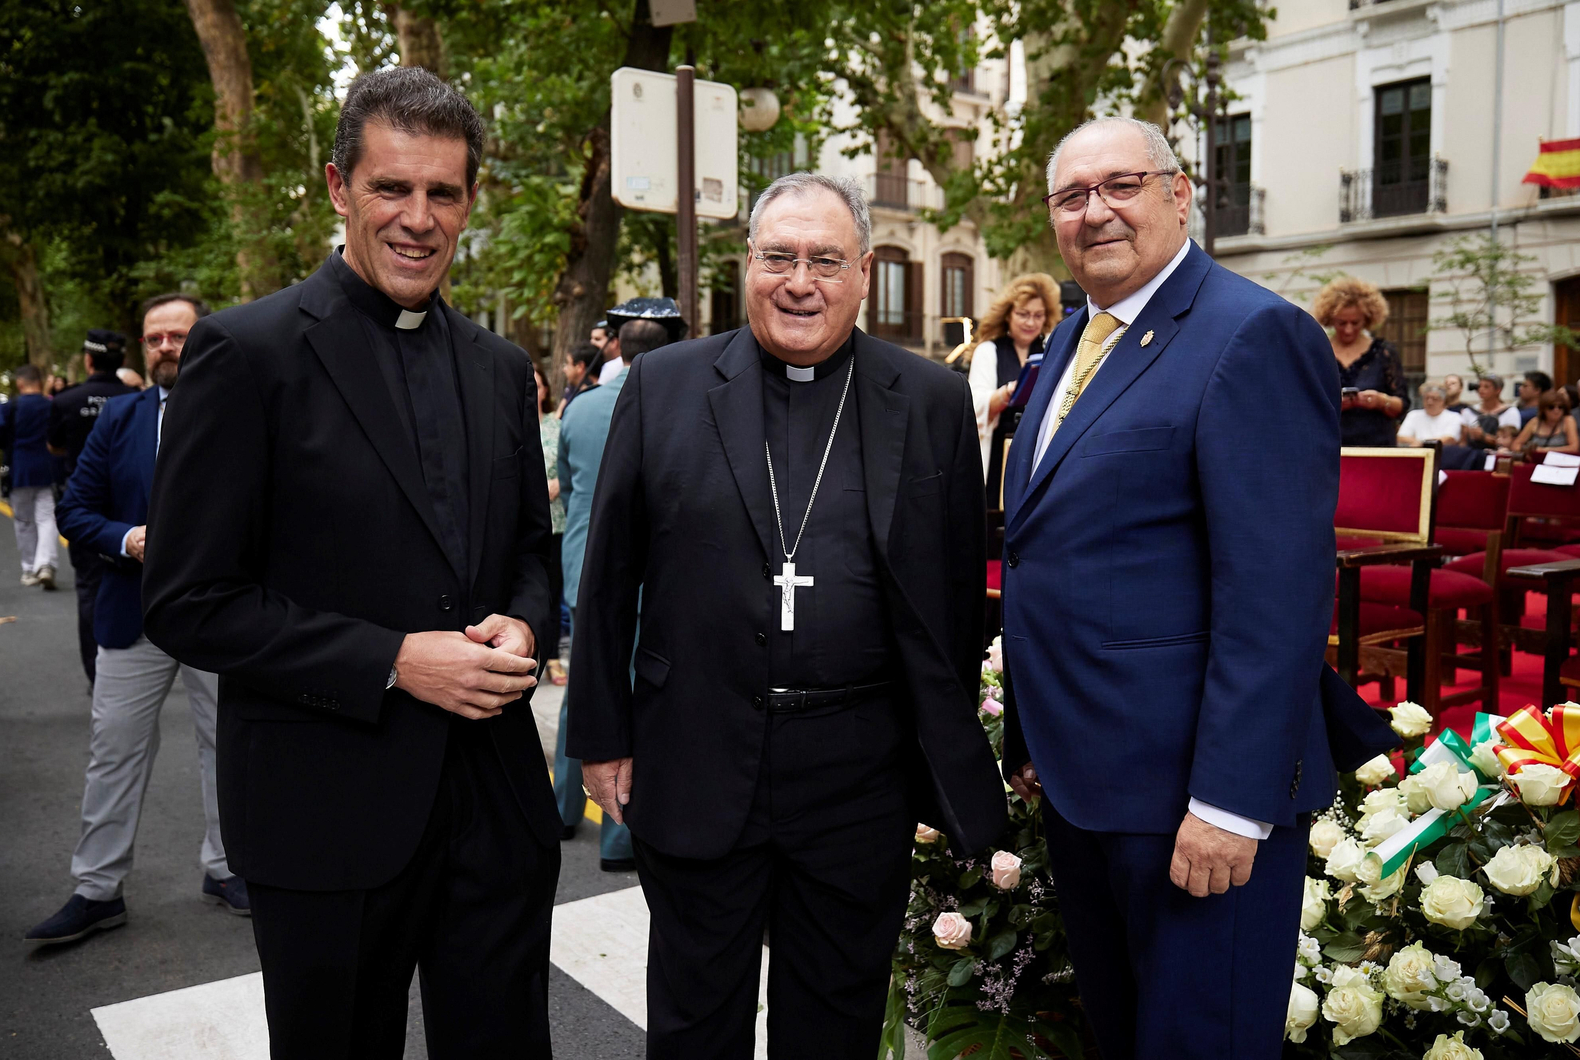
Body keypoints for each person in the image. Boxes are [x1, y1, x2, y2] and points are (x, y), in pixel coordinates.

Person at [140, 67, 559, 1059]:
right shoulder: (246, 353)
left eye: (443, 192)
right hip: (324, 808)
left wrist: (530, 621)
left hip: (493, 805)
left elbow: (532, 556)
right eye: (392, 188)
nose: (419, 218)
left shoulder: (501, 370)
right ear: (338, 188)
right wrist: (392, 658)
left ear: (469, 200)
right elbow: (190, 600)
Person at [567, 172, 1007, 1058]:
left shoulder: (925, 400)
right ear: (747, 264)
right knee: (695, 1023)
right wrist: (601, 736)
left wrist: (937, 756)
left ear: (864, 271)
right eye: (779, 256)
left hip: (858, 773)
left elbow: (958, 596)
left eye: (825, 259)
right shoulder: (665, 383)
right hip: (696, 753)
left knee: (835, 1027)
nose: (800, 280)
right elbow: (609, 575)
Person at [1000, 118, 1396, 1060]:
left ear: (1180, 195)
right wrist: (1029, 733)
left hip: (1195, 802)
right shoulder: (1070, 339)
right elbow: (1051, 548)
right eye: (1071, 196)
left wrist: (1230, 802)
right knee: (1125, 1036)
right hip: (1085, 779)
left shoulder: (1252, 331)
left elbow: (1276, 591)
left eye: (1121, 185)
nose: (1095, 211)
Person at [25, 294, 245, 946]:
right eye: (155, 337)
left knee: (226, 745)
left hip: (220, 614)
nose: (167, 345)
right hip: (133, 612)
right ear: (142, 348)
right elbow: (76, 510)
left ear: (205, 337)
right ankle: (96, 889)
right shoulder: (119, 417)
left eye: (180, 334)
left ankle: (227, 867)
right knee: (114, 749)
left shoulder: (244, 406)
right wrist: (128, 540)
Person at [553, 317, 668, 871]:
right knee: (635, 693)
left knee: (585, 687)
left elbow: (569, 482)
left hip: (580, 564)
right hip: (644, 572)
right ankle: (619, 838)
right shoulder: (670, 402)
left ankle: (561, 806)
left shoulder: (582, 405)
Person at [50, 329, 142, 687]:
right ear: (122, 363)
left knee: (89, 588)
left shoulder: (67, 400)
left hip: (86, 506)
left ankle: (98, 672)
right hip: (134, 505)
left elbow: (54, 447)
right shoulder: (138, 399)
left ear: (88, 360)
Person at [965, 273, 1062, 488]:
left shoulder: (1051, 351)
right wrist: (1006, 393)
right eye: (1023, 314)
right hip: (997, 449)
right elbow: (974, 405)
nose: (1031, 322)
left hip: (1036, 452)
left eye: (1038, 315)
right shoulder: (988, 350)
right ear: (1008, 315)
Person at [0, 364, 60, 589]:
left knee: (24, 521)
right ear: (39, 382)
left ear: (20, 383)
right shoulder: (51, 406)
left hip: (18, 470)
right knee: (47, 518)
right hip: (48, 469)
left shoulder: (10, 407)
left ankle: (29, 568)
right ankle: (45, 563)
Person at [1311, 276, 1406, 446]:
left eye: (1355, 323)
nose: (1348, 330)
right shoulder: (1319, 352)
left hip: (1376, 446)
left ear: (1367, 319)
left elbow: (1401, 405)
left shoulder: (1384, 353)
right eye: (1341, 323)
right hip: (1329, 446)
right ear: (1330, 320)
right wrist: (1334, 404)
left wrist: (1380, 401)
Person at [534, 364, 567, 687]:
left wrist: (557, 482)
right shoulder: (506, 422)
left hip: (556, 524)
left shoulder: (556, 427)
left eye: (538, 384)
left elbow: (570, 465)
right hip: (523, 526)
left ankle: (554, 656)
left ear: (545, 390)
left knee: (554, 593)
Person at [1512, 389, 1580, 454]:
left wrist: (1546, 450)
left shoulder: (1568, 421)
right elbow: (1516, 445)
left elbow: (1574, 447)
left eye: (1560, 407)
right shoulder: (1534, 422)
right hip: (1538, 462)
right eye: (1551, 407)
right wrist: (1528, 451)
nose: (1556, 410)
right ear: (1543, 409)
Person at [1397, 383, 1462, 446]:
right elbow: (1401, 437)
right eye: (1426, 398)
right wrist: (1418, 442)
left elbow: (1449, 439)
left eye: (1434, 399)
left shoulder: (1454, 417)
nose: (1429, 402)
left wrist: (1422, 443)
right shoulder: (1413, 415)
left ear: (1442, 400)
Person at [559, 342, 600, 416]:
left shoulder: (594, 396)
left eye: (568, 363)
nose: (564, 369)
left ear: (580, 367)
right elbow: (558, 415)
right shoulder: (572, 387)